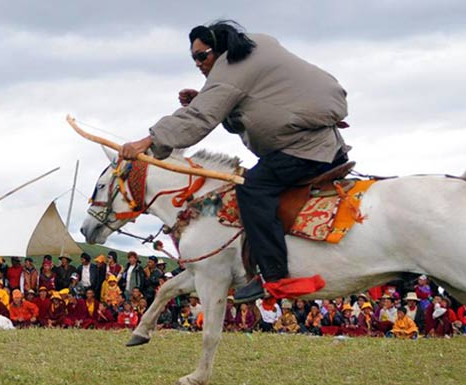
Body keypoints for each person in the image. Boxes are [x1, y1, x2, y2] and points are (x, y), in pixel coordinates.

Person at [121, 20, 350, 303]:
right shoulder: (257, 46)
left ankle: (274, 276)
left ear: (219, 51)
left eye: (201, 56)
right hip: (319, 142)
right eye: (193, 58)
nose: (197, 63)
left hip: (307, 149)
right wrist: (206, 98)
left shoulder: (231, 69)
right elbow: (255, 102)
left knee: (251, 188)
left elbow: (198, 119)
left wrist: (148, 141)